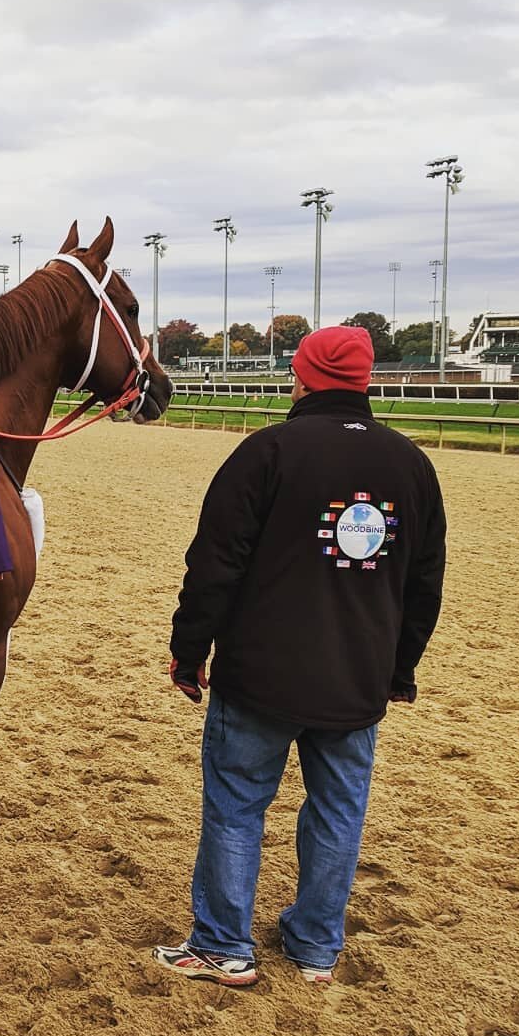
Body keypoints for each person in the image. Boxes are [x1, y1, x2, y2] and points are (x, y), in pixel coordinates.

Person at [154, 326, 446, 987]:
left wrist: (187, 651)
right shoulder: (411, 465)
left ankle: (223, 946)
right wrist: (399, 671)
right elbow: (425, 583)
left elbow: (213, 567)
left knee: (235, 806)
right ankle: (315, 948)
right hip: (357, 678)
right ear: (366, 380)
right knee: (338, 812)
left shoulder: (267, 452)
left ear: (303, 375)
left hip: (259, 675)